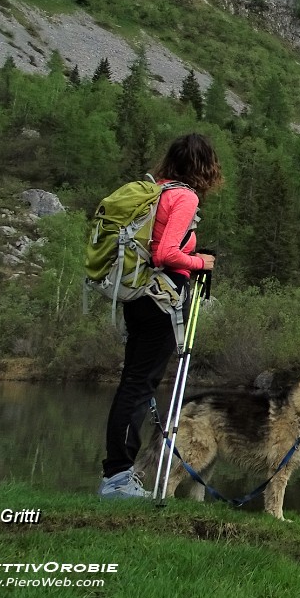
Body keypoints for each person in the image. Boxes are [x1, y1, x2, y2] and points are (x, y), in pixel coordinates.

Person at [99, 133, 222, 499]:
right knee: (139, 386)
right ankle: (118, 478)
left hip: (138, 296)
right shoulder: (184, 196)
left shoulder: (159, 191)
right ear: (205, 167)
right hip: (160, 298)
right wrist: (201, 262)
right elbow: (166, 253)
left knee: (133, 382)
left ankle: (118, 474)